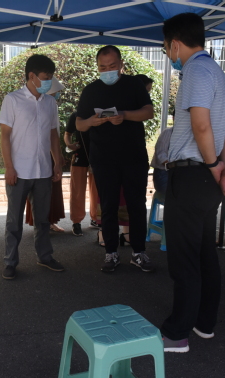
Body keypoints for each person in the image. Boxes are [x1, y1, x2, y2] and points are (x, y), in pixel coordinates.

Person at [160, 13, 225, 352]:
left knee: (184, 259)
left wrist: (212, 165)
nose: (168, 54)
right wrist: (223, 167)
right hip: (206, 177)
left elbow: (202, 125)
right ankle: (204, 323)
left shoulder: (195, 71)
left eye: (166, 48)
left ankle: (177, 334)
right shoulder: (218, 72)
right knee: (205, 254)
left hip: (192, 175)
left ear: (175, 44)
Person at [76, 45, 155, 273]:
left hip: (133, 157)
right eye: (102, 67)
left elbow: (148, 111)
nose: (107, 71)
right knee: (108, 206)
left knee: (136, 204)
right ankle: (110, 252)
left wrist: (124, 115)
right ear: (97, 67)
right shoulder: (90, 90)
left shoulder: (134, 84)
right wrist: (92, 121)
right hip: (103, 158)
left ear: (121, 64)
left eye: (112, 66)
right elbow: (80, 123)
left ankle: (138, 252)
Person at [0, 54, 65, 280]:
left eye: (51, 77)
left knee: (43, 220)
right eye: (46, 77)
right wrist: (9, 167)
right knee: (14, 221)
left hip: (43, 171)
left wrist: (57, 162)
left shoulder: (50, 103)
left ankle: (45, 257)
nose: (49, 81)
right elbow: (5, 136)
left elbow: (53, 134)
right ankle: (10, 262)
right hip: (19, 171)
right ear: (32, 76)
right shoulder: (13, 100)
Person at [25, 77, 66, 233]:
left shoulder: (50, 104)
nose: (57, 95)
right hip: (42, 156)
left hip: (51, 156)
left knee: (51, 191)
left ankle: (50, 221)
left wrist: (57, 157)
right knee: (41, 193)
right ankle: (42, 222)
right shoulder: (36, 104)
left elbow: (54, 134)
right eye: (55, 92)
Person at [64, 111, 100, 236]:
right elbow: (67, 134)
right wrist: (69, 145)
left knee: (97, 190)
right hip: (79, 156)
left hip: (97, 157)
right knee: (77, 190)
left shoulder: (101, 113)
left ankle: (96, 218)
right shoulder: (76, 115)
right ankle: (76, 222)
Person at [150, 111, 175, 197]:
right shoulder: (168, 132)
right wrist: (175, 166)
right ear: (174, 118)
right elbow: (161, 155)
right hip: (164, 173)